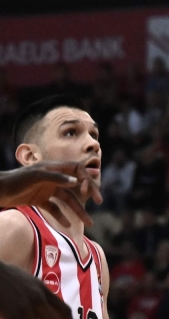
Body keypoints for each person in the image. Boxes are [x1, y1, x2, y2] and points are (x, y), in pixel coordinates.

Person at [0, 95, 110, 319]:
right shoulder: (16, 227)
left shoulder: (97, 258)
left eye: (94, 134)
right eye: (71, 132)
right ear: (30, 156)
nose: (93, 144)